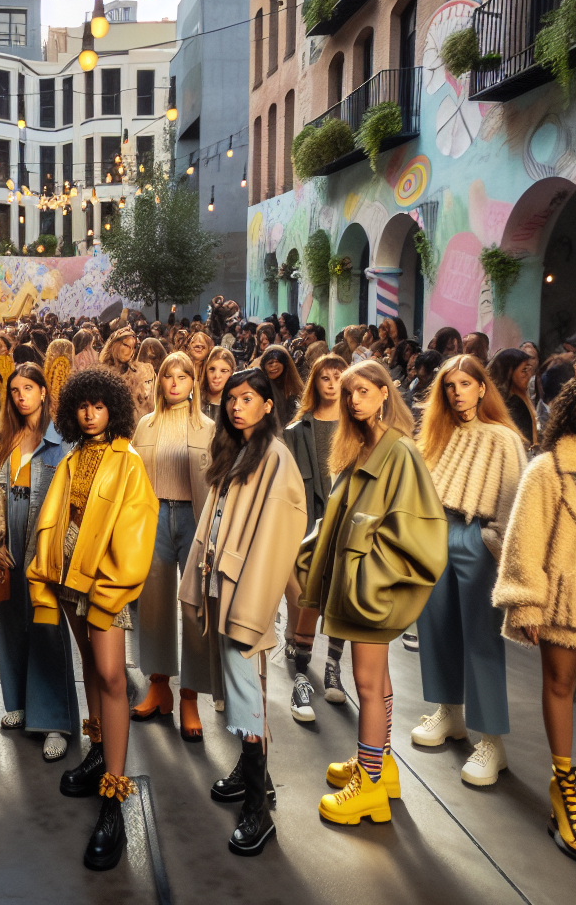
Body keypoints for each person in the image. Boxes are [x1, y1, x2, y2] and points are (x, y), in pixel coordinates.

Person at [298, 360, 447, 826]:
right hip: (360, 583)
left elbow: (418, 530)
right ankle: (381, 768)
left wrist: (369, 572)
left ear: (385, 394)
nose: (353, 399)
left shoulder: (398, 451)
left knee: (365, 682)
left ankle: (368, 787)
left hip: (371, 588)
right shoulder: (364, 446)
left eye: (363, 390)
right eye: (348, 393)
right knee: (376, 683)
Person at [28, 368, 157, 871]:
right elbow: (52, 518)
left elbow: (135, 531)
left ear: (115, 410)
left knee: (110, 676)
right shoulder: (72, 456)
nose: (89, 413)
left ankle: (114, 794)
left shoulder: (128, 461)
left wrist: (109, 587)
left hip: (104, 584)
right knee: (91, 669)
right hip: (67, 579)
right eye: (83, 405)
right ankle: (100, 752)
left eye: (100, 406)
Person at [180, 368, 306, 855]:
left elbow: (276, 542)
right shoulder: (235, 451)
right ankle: (255, 777)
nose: (236, 406)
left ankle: (259, 805)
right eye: (231, 398)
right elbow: (213, 520)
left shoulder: (275, 457)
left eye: (248, 398)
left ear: (268, 405)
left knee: (245, 689)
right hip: (222, 583)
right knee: (236, 688)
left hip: (244, 593)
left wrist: (251, 608)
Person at [412, 355, 526, 785]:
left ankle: (492, 742)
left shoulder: (503, 438)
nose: (456, 391)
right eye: (449, 385)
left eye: (464, 383)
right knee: (436, 627)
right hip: (435, 533)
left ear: (482, 387)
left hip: (477, 537)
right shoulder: (438, 434)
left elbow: (513, 501)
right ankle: (449, 713)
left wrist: (489, 542)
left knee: (481, 638)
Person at [495, 379, 576, 861]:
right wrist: (525, 601)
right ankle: (564, 788)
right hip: (563, 600)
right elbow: (525, 538)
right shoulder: (549, 469)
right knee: (561, 683)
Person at [0, 363, 78, 761]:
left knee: (46, 625)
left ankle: (55, 719)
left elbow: (73, 502)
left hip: (44, 537)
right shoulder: (8, 436)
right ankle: (18, 702)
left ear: (43, 391)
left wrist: (59, 551)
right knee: (11, 621)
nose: (20, 396)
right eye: (15, 390)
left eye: (28, 388)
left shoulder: (62, 439)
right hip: (11, 534)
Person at [131, 352, 215, 740]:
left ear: (193, 383)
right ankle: (159, 684)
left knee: (195, 608)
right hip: (155, 516)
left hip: (196, 519)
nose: (176, 382)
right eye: (169, 375)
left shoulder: (209, 428)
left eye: (184, 376)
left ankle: (190, 697)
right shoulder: (145, 426)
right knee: (153, 604)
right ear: (160, 382)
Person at [283, 353, 349, 721]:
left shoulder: (357, 430)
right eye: (325, 376)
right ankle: (302, 677)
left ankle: (333, 667)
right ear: (315, 382)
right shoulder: (296, 432)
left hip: (343, 524)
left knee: (339, 595)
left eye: (339, 375)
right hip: (307, 525)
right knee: (307, 597)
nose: (332, 381)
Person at [99, 326, 154, 421]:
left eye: (133, 347)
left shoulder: (143, 372)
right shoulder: (101, 374)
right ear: (114, 345)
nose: (131, 351)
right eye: (126, 345)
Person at [489, 348, 538, 449]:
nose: (528, 375)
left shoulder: (495, 398)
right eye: (524, 370)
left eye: (529, 369)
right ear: (510, 372)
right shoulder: (514, 403)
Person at [259, 345, 303, 428]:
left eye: (278, 361)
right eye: (270, 362)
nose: (274, 365)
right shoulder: (261, 390)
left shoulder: (296, 390)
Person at [201, 346, 236, 423]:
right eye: (212, 369)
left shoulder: (236, 407)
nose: (217, 376)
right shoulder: (194, 402)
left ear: (232, 373)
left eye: (223, 371)